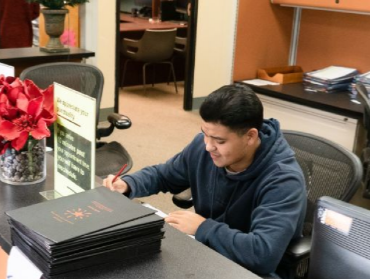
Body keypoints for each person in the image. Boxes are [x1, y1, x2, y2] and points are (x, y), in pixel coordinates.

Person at [104, 84, 307, 276]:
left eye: (220, 141)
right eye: (205, 134)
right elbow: (164, 174)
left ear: (250, 137)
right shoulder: (204, 148)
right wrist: (129, 184)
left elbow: (262, 254)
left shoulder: (283, 180)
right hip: (206, 253)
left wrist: (203, 228)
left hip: (248, 271)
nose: (208, 146)